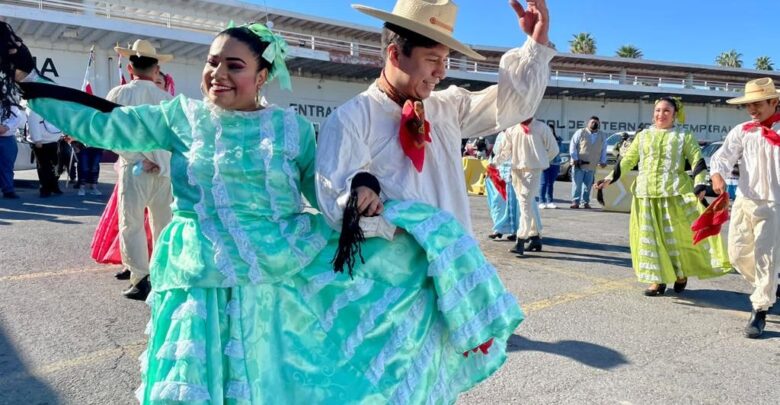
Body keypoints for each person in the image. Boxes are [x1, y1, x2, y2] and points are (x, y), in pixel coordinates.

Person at [15, 21, 522, 403]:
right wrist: (25, 81)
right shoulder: (180, 117)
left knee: (273, 382)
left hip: (279, 278)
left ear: (262, 75)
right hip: (199, 277)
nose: (217, 73)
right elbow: (107, 125)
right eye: (213, 62)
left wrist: (362, 185)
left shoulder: (292, 130)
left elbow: (327, 190)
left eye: (234, 65)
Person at [316, 0, 555, 240]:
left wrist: (536, 44)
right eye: (432, 60)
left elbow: (513, 105)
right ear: (395, 54)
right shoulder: (352, 120)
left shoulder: (447, 107)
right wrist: (403, 227)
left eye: (444, 60)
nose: (441, 72)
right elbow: (336, 204)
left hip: (454, 266)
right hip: (398, 272)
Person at [597, 97, 730, 296]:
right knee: (649, 238)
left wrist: (700, 183)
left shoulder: (683, 136)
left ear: (675, 114)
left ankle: (680, 273)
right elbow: (628, 160)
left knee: (675, 239)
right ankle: (657, 280)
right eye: (658, 110)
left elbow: (697, 160)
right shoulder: (643, 136)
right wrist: (609, 179)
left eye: (666, 111)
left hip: (674, 194)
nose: (661, 114)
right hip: (646, 195)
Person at [709, 77, 780, 338]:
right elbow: (723, 156)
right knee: (737, 253)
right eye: (748, 104)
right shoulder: (742, 130)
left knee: (766, 256)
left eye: (758, 104)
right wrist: (717, 174)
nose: (752, 109)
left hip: (775, 203)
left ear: (774, 101)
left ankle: (760, 310)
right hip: (745, 199)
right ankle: (770, 285)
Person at [104, 39, 175, 300]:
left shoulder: (119, 94)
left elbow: (111, 135)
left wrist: (137, 158)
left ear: (131, 68)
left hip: (135, 168)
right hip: (163, 171)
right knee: (164, 224)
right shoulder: (167, 99)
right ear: (156, 68)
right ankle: (163, 274)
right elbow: (174, 138)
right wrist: (162, 161)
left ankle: (141, 278)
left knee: (131, 223)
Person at [494, 118, 558, 256]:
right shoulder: (512, 129)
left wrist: (541, 160)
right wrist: (494, 163)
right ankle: (535, 237)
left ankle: (521, 239)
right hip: (516, 170)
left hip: (533, 170)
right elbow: (505, 151)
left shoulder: (542, 128)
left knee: (524, 203)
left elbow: (554, 149)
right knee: (527, 204)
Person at [24, 103, 63, 197]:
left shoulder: (51, 105)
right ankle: (45, 188)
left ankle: (53, 185)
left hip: (53, 139)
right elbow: (33, 123)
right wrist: (37, 139)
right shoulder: (33, 106)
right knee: (44, 166)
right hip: (41, 142)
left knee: (55, 164)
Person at [485, 131, 518, 241]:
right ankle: (498, 229)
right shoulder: (500, 135)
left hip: (512, 174)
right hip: (499, 173)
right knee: (496, 202)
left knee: (513, 205)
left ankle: (515, 231)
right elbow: (496, 154)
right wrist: (490, 168)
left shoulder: (516, 133)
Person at [569, 116, 607, 209]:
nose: (595, 124)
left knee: (588, 186)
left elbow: (604, 149)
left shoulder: (602, 135)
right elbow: (573, 146)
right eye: (593, 122)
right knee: (577, 184)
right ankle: (575, 202)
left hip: (592, 165)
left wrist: (603, 161)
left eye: (597, 122)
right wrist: (575, 158)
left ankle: (585, 202)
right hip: (579, 164)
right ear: (588, 123)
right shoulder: (580, 132)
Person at [539, 122, 562, 208]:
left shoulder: (558, 139)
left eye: (551, 129)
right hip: (544, 163)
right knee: (543, 183)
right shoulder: (541, 139)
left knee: (550, 183)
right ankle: (541, 201)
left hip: (555, 163)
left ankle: (550, 201)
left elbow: (560, 150)